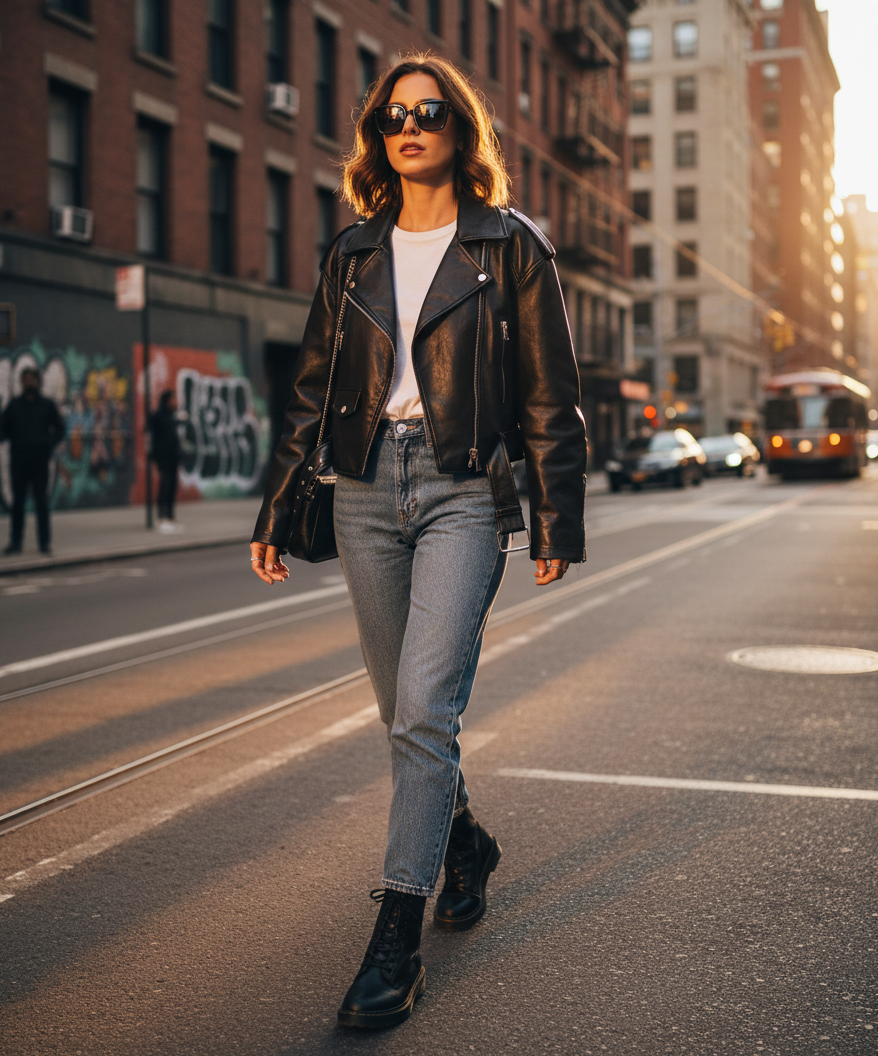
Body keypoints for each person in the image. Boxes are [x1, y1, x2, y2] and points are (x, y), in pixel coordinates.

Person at [249, 53, 586, 1028]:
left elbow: (548, 395)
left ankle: (395, 935)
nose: (410, 125)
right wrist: (279, 506)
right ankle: (464, 840)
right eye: (393, 113)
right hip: (359, 489)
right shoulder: (353, 251)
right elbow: (312, 389)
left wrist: (555, 514)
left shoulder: (508, 246)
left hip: (463, 490)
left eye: (429, 111)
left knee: (423, 710)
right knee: (405, 711)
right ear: (375, 133)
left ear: (457, 130)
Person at [0, 366, 65, 555]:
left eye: (32, 379)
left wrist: (48, 443)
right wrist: (3, 436)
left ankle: (44, 542)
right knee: (18, 503)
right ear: (21, 382)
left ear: (37, 382)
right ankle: (16, 542)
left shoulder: (46, 405)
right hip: (18, 461)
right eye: (26, 379)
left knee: (41, 503)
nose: (29, 383)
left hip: (40, 461)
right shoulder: (14, 405)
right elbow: (1, 427)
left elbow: (60, 429)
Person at [148, 389, 182, 531]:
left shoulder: (172, 416)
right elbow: (153, 439)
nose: (175, 402)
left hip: (173, 457)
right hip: (164, 457)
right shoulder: (159, 416)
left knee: (172, 486)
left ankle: (170, 515)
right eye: (173, 400)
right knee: (165, 485)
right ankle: (161, 516)